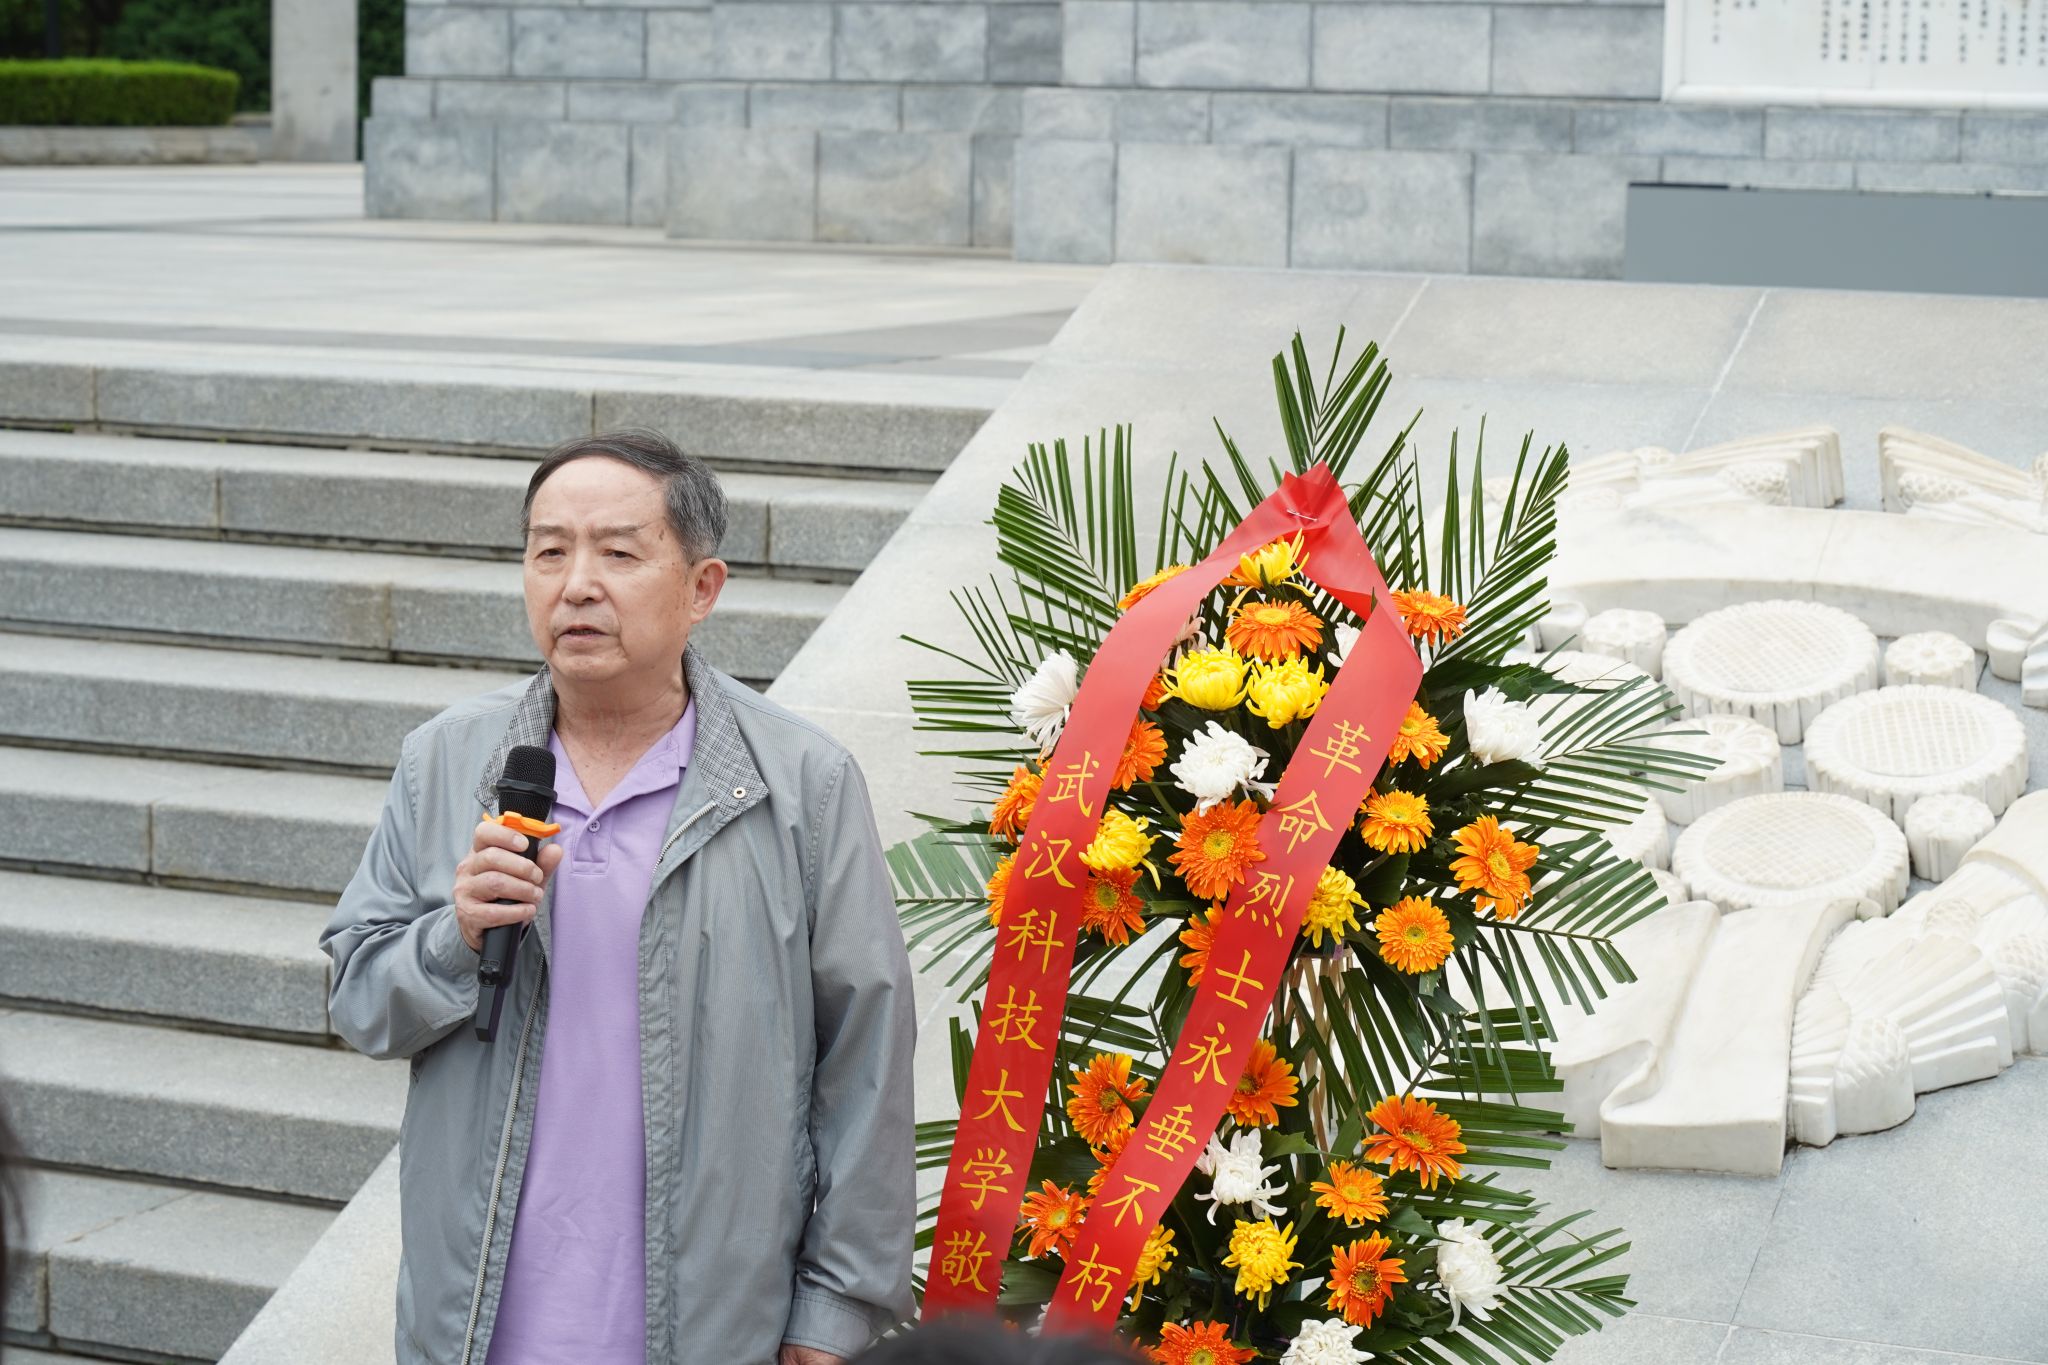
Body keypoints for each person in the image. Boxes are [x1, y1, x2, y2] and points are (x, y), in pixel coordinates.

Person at [322, 430, 916, 1365]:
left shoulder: (802, 783)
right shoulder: (446, 760)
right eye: (549, 550)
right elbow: (360, 1000)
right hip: (474, 1317)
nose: (577, 585)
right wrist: (454, 935)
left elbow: (866, 1054)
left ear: (702, 588)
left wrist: (835, 1304)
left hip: (713, 1324)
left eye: (619, 553)